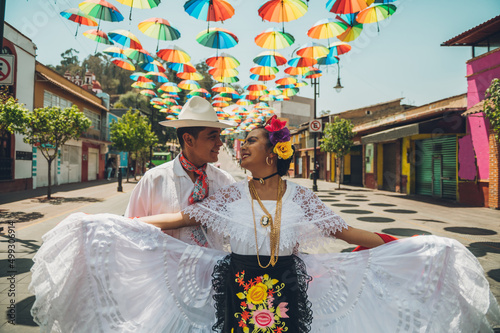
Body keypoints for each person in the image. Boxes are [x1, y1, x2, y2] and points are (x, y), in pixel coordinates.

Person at [29, 117, 500, 332]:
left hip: (290, 287)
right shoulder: (229, 193)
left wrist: (412, 242)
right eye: (237, 141)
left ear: (274, 150)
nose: (239, 147)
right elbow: (175, 218)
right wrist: (105, 225)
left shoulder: (301, 196)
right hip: (235, 287)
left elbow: (349, 233)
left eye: (248, 140)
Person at [124, 96, 236, 247]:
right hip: (166, 269)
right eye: (213, 137)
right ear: (189, 140)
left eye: (219, 136)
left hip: (212, 269)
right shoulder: (155, 179)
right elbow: (130, 229)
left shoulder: (224, 181)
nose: (220, 143)